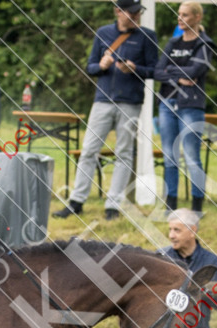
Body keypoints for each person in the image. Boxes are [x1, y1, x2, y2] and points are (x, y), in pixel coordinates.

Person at [51, 0, 158, 222]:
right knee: (89, 150)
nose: (137, 16)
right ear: (118, 11)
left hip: (130, 102)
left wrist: (134, 68)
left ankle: (113, 205)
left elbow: (155, 70)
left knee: (124, 154)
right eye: (132, 12)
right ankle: (76, 202)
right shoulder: (103, 33)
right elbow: (90, 67)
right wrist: (101, 66)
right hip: (102, 101)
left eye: (138, 12)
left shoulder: (147, 36)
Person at [154, 1, 214, 215]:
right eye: (179, 14)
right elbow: (157, 71)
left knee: (191, 157)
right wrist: (180, 77)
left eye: (185, 15)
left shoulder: (204, 44)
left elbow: (196, 70)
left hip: (191, 106)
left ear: (198, 17)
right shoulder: (173, 42)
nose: (180, 18)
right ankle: (171, 206)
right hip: (167, 103)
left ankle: (196, 208)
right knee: (169, 156)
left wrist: (171, 70)